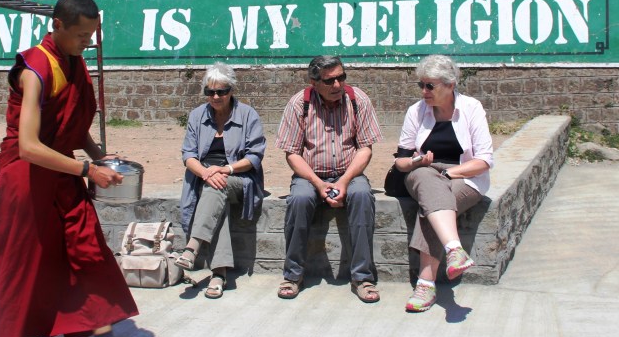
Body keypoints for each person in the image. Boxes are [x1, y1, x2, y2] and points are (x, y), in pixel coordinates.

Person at [0, 0, 161, 337]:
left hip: (63, 175)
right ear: (57, 26)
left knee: (91, 253)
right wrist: (85, 170)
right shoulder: (36, 68)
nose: (87, 43)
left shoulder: (73, 61)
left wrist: (98, 158)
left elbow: (72, 128)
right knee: (23, 267)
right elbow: (28, 146)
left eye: (92, 35)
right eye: (81, 36)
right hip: (26, 181)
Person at [275, 55, 383, 301]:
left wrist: (344, 181)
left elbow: (365, 148)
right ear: (314, 82)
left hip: (350, 172)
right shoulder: (298, 104)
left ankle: (363, 278)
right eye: (329, 81)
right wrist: (318, 183)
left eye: (341, 78)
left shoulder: (358, 100)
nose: (337, 85)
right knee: (299, 200)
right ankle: (293, 275)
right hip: (311, 174)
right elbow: (292, 153)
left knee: (363, 196)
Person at [394, 54, 493, 312]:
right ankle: (454, 249)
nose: (424, 91)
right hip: (423, 172)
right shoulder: (416, 111)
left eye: (430, 86)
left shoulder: (471, 108)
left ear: (450, 85)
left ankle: (426, 285)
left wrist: (450, 174)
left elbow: (483, 161)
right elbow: (400, 162)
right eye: (421, 85)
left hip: (465, 176)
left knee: (433, 204)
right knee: (430, 184)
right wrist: (416, 163)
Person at [175, 62, 266, 299]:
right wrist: (206, 173)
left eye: (221, 91)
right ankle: (219, 274)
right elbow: (188, 156)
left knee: (218, 185)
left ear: (231, 90)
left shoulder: (248, 115)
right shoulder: (197, 116)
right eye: (210, 92)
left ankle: (192, 247)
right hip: (204, 179)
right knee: (215, 193)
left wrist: (224, 169)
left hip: (239, 177)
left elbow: (254, 156)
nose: (215, 96)